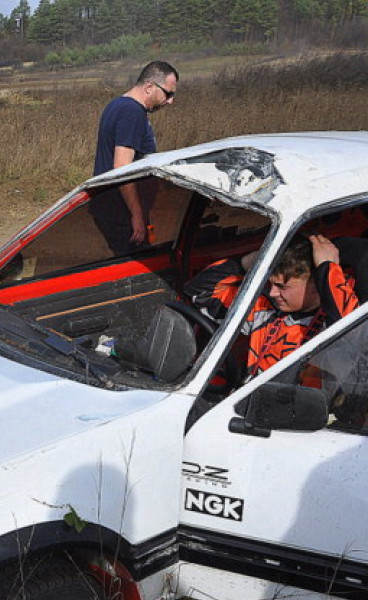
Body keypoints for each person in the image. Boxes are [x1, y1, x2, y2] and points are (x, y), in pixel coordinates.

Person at [184, 234, 358, 379]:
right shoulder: (264, 310)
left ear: (317, 286)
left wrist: (328, 267)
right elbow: (198, 291)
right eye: (272, 284)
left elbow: (352, 328)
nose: (273, 293)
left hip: (308, 413)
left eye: (282, 287)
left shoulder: (336, 322)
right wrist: (250, 262)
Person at [91, 61, 179, 255]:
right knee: (140, 268)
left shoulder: (117, 105)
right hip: (119, 208)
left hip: (115, 205)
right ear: (149, 87)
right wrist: (136, 214)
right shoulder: (132, 112)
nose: (170, 101)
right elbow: (121, 167)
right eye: (168, 94)